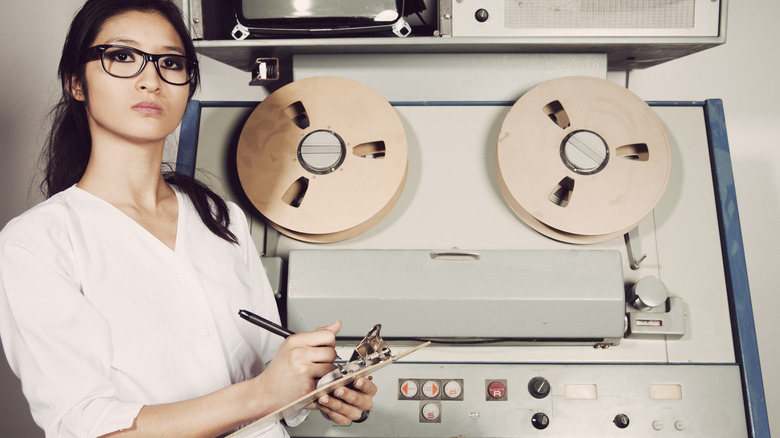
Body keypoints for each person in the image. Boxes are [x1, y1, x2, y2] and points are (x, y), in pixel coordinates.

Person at [0, 0, 376, 437]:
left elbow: (267, 368)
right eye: (122, 57)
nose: (150, 80)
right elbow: (85, 427)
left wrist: (323, 387)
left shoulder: (222, 219)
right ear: (76, 83)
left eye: (170, 63)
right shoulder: (37, 242)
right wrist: (263, 392)